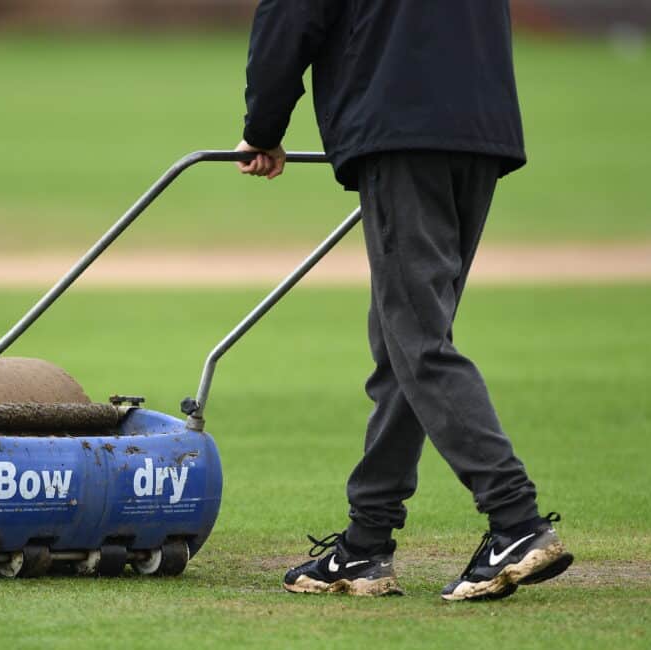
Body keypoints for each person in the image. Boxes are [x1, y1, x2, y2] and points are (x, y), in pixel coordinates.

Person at [235, 0, 573, 601]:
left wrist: (263, 130)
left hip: (401, 131)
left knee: (418, 343)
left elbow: (290, 17)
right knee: (406, 345)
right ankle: (366, 544)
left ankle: (515, 519)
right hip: (479, 131)